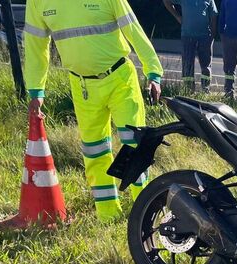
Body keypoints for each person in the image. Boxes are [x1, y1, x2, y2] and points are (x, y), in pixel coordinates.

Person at [24, 0, 163, 222]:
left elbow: (133, 29)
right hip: (82, 87)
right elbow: (35, 46)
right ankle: (108, 215)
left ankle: (145, 210)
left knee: (135, 144)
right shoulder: (37, 3)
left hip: (120, 79)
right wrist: (36, 91)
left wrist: (153, 72)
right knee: (95, 151)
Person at [163, 0, 218, 91]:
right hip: (188, 36)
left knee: (206, 65)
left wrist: (211, 36)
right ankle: (188, 90)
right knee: (187, 64)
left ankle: (205, 90)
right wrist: (178, 17)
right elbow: (166, 1)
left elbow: (214, 16)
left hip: (204, 36)